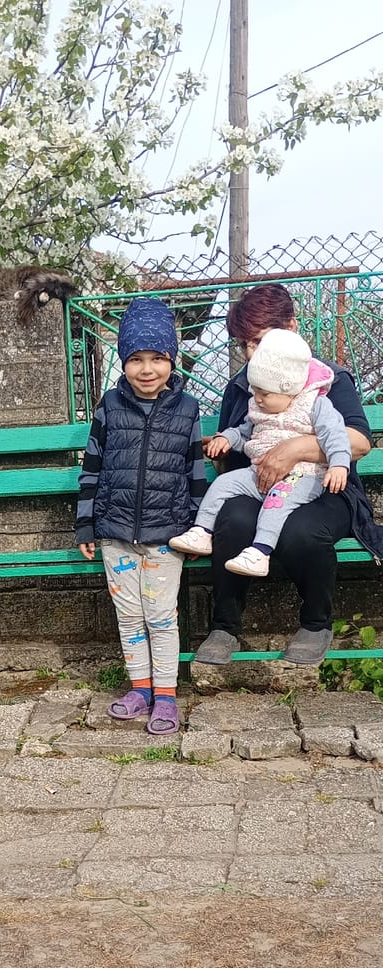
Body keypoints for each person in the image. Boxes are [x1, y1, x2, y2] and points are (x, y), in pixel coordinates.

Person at [192, 283, 379, 666]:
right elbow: (240, 441)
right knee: (233, 519)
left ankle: (315, 624)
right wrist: (223, 450)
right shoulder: (242, 385)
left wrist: (293, 449)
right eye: (245, 344)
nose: (251, 354)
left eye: (259, 341)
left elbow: (359, 441)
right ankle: (225, 627)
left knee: (301, 530)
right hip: (261, 488)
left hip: (326, 487)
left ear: (291, 327)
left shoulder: (326, 379)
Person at [75, 296, 206, 735]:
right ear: (123, 362)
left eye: (157, 358)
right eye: (136, 359)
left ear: (172, 360)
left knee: (161, 617)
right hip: (114, 534)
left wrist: (197, 527)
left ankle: (166, 696)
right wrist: (86, 523)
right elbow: (91, 467)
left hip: (166, 536)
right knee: (128, 615)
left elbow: (195, 473)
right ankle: (140, 688)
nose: (146, 369)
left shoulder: (187, 411)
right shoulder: (109, 406)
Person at [169, 328, 351, 578]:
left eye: (264, 393)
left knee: (277, 502)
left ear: (288, 388)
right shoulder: (259, 404)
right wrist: (225, 438)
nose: (257, 398)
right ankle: (202, 531)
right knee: (223, 484)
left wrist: (339, 464)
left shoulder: (315, 405)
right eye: (255, 391)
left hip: (302, 477)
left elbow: (336, 435)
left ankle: (260, 552)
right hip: (258, 473)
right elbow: (243, 431)